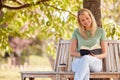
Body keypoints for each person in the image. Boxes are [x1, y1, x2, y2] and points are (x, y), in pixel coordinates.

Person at [69, 8, 107, 80]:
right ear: (80, 22)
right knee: (85, 67)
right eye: (82, 20)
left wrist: (94, 56)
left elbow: (105, 54)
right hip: (79, 61)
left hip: (95, 62)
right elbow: (71, 52)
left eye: (87, 18)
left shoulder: (100, 31)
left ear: (91, 17)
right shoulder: (76, 32)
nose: (86, 21)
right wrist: (82, 54)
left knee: (86, 58)